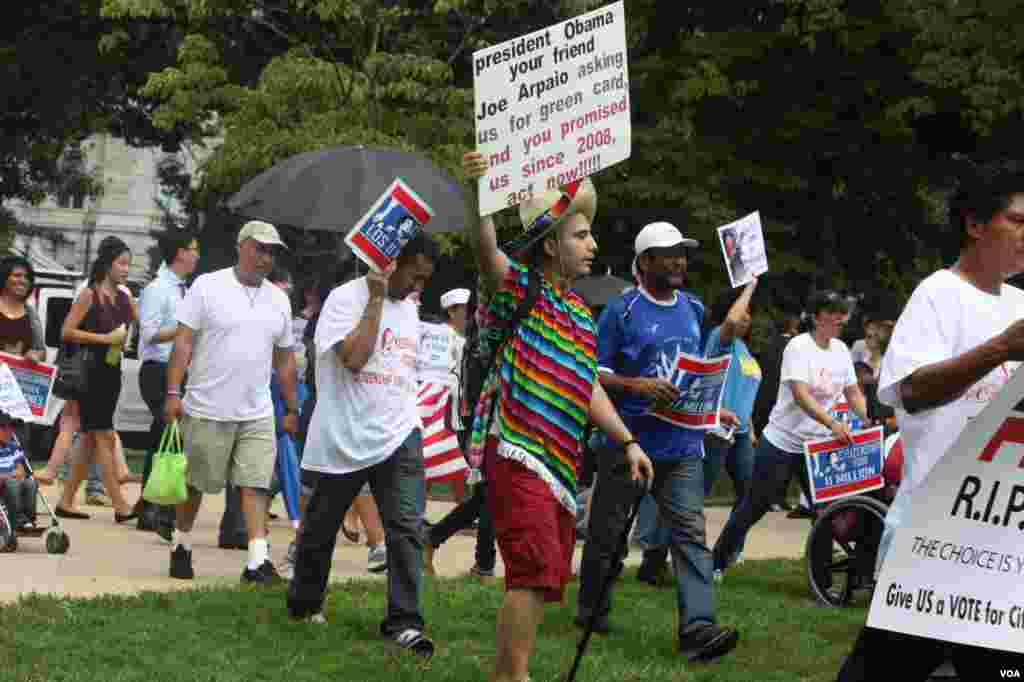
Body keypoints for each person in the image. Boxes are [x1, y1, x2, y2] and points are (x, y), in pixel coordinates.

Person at [463, 151, 654, 682]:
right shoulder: (519, 290)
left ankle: (509, 673)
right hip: (518, 451)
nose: (593, 245)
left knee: (547, 573)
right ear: (550, 244)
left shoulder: (578, 314)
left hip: (560, 464)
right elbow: (486, 253)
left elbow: (585, 384)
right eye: (580, 235)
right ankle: (514, 677)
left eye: (590, 236)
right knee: (529, 570)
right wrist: (479, 196)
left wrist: (627, 441)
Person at [836, 161, 1024, 680]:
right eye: (1017, 221)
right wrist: (1003, 348)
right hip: (936, 538)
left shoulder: (1020, 303)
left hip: (1004, 545)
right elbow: (913, 393)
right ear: (975, 224)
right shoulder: (938, 295)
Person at [576, 221, 741, 661]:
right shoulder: (621, 311)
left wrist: (712, 407)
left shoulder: (692, 307)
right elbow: (595, 375)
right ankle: (591, 608)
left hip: (682, 446)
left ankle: (699, 630)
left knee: (690, 536)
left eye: (682, 254)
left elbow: (698, 368)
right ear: (644, 262)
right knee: (608, 537)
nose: (679, 262)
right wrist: (637, 386)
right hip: (628, 444)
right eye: (668, 254)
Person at [287, 233, 440, 658]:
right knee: (321, 525)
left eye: (425, 280)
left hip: (399, 433)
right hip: (345, 434)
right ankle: (304, 602)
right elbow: (354, 359)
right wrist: (375, 300)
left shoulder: (411, 310)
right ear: (392, 263)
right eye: (415, 275)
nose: (418, 288)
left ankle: (405, 622)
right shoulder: (344, 299)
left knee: (407, 528)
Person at [164, 220, 298, 583]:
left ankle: (257, 562)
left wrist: (291, 406)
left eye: (271, 251)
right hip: (207, 406)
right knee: (195, 483)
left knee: (255, 483)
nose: (265, 257)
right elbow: (183, 342)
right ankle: (182, 543)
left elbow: (284, 358)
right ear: (242, 246)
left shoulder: (279, 300)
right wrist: (174, 392)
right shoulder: (207, 287)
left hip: (257, 411)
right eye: (259, 248)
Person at [713, 290, 868, 577]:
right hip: (781, 442)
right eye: (834, 313)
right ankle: (717, 563)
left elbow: (853, 391)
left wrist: (866, 418)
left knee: (825, 512)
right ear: (818, 316)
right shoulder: (798, 347)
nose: (840, 320)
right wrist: (832, 424)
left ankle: (822, 577)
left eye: (842, 315)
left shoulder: (841, 351)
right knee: (754, 506)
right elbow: (801, 395)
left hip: (818, 447)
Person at [53, 236, 138, 523]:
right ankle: (120, 505)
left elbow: (132, 327)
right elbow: (66, 331)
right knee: (103, 434)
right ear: (107, 264)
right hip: (89, 373)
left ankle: (66, 501)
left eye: (129, 264)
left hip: (112, 371)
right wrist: (104, 339)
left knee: (90, 439)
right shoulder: (89, 294)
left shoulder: (124, 298)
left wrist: (122, 341)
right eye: (122, 263)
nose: (126, 269)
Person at [422, 287, 498, 582]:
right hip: (484, 427)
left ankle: (434, 540)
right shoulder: (482, 340)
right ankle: (483, 564)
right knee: (488, 497)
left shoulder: (482, 336)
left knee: (486, 498)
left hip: (492, 426)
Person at [137, 232, 199, 536]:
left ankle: (149, 504)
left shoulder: (183, 290)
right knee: (169, 433)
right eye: (193, 249)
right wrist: (185, 331)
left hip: (176, 369)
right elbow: (148, 333)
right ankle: (157, 507)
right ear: (179, 253)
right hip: (158, 369)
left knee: (161, 435)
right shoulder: (157, 289)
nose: (196, 256)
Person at [702, 280, 761, 568]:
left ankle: (721, 558)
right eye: (743, 311)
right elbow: (731, 320)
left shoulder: (744, 351)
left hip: (740, 434)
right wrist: (749, 286)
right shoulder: (720, 340)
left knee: (751, 495)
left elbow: (745, 392)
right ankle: (662, 557)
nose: (747, 317)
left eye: (750, 312)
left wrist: (750, 430)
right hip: (714, 429)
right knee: (694, 495)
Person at [0, 413, 36, 551]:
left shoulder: (13, 447)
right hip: (6, 485)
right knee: (13, 483)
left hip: (11, 482)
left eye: (11, 429)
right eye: (6, 429)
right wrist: (10, 475)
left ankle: (26, 519)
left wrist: (9, 475)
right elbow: (15, 474)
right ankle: (18, 520)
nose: (10, 432)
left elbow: (21, 471)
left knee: (31, 482)